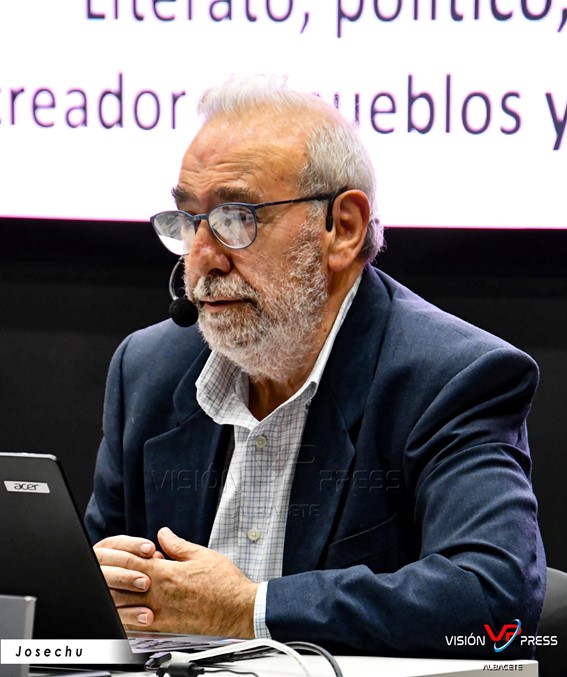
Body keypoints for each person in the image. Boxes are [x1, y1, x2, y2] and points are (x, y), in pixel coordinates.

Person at [85, 74, 546, 658]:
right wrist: (98, 586)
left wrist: (249, 610)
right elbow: (84, 597)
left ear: (342, 228)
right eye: (190, 220)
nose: (201, 258)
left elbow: (495, 601)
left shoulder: (450, 378)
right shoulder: (147, 371)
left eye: (236, 217)